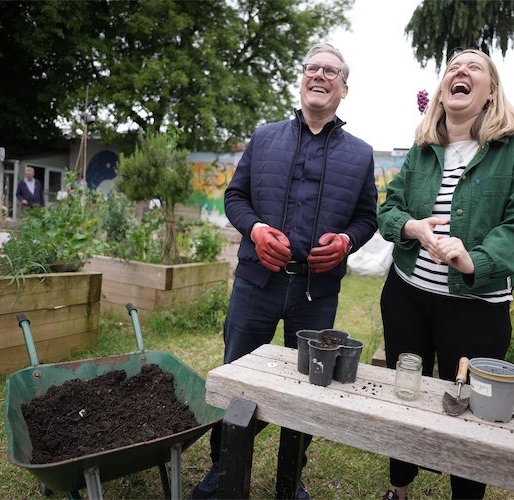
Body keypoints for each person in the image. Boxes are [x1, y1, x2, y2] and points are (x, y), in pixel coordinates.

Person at [190, 42, 378, 500]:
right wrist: (254, 230)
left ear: (344, 88)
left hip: (317, 291)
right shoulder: (265, 137)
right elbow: (235, 198)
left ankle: (290, 475)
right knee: (238, 375)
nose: (319, 75)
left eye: (330, 71)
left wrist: (347, 241)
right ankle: (223, 468)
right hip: (258, 282)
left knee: (310, 386)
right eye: (311, 67)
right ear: (301, 81)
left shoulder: (360, 154)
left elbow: (368, 217)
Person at [377, 48, 514, 500]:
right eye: (452, 68)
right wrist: (412, 227)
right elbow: (390, 209)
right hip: (407, 296)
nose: (460, 71)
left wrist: (475, 259)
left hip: (477, 308)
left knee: (471, 411)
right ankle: (399, 488)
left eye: (474, 67)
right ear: (441, 90)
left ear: (491, 90)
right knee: (407, 392)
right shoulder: (423, 148)